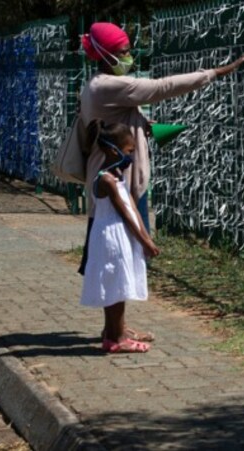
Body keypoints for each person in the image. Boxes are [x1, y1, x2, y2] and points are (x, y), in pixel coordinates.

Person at [76, 22, 244, 341]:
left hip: (116, 180)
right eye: (124, 52)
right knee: (117, 259)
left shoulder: (101, 85)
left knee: (122, 258)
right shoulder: (109, 86)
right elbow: (161, 88)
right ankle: (114, 335)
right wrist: (216, 72)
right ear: (106, 55)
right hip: (116, 183)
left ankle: (116, 327)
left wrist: (144, 124)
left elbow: (122, 119)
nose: (130, 57)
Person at [80, 122, 160, 353]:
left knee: (118, 285)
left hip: (120, 236)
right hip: (110, 237)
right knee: (114, 287)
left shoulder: (116, 175)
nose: (131, 157)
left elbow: (133, 209)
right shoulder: (106, 179)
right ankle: (116, 339)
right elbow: (125, 213)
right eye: (128, 151)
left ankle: (113, 332)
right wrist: (145, 241)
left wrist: (145, 236)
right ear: (112, 150)